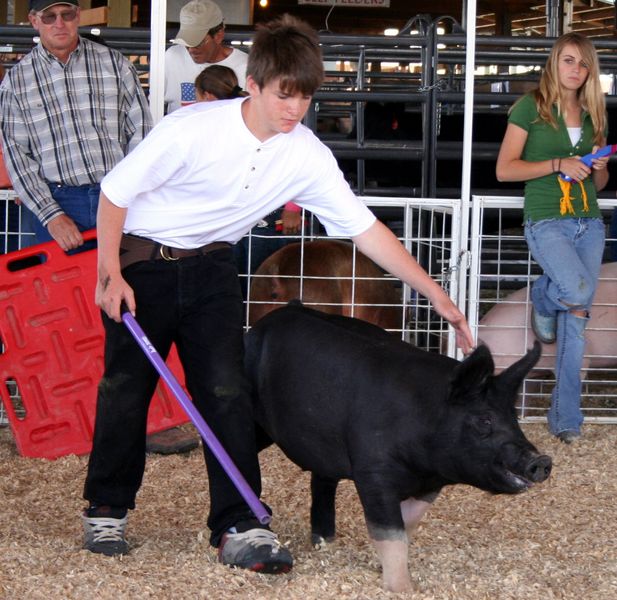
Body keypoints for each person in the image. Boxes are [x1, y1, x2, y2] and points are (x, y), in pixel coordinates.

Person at [82, 15, 474, 573]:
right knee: (126, 388)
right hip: (143, 262)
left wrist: (434, 293)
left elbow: (364, 229)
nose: (294, 109)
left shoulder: (305, 153)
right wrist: (109, 274)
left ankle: (241, 525)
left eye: (305, 98)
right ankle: (106, 509)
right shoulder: (190, 129)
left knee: (226, 391)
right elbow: (116, 193)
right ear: (254, 85)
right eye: (283, 95)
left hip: (214, 266)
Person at [496, 32, 609, 444]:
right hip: (547, 218)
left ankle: (566, 418)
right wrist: (558, 162)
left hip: (588, 221)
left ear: (590, 70)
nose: (575, 69)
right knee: (576, 290)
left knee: (577, 320)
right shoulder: (531, 107)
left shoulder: (594, 113)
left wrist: (599, 164)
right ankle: (543, 297)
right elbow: (505, 169)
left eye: (582, 63)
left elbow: (599, 182)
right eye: (567, 60)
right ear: (554, 63)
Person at [0, 0, 152, 252]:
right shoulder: (16, 82)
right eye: (49, 17)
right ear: (34, 20)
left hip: (117, 193)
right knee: (67, 289)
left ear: (78, 16)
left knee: (132, 283)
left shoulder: (115, 63)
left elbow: (142, 130)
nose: (59, 23)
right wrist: (51, 216)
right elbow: (17, 157)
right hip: (60, 201)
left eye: (66, 14)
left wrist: (129, 190)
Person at [193, 64, 303, 288]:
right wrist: (292, 207)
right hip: (266, 214)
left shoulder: (211, 128)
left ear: (207, 96)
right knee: (267, 287)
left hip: (238, 216)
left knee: (233, 286)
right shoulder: (256, 118)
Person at [164, 0, 248, 113]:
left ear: (219, 35)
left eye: (198, 43)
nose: (191, 49)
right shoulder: (172, 57)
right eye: (186, 43)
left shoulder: (245, 67)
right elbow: (154, 105)